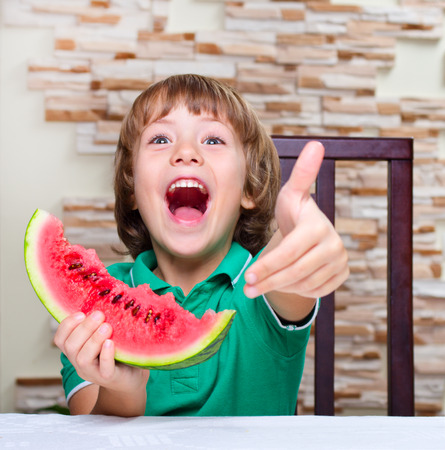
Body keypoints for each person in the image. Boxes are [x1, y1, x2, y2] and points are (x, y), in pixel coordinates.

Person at [55, 74, 349, 417]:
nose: (186, 153)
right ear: (132, 188)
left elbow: (291, 271)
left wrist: (302, 238)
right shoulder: (96, 308)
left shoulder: (263, 287)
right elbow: (92, 432)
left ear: (249, 189)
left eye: (212, 140)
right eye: (161, 138)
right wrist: (123, 388)